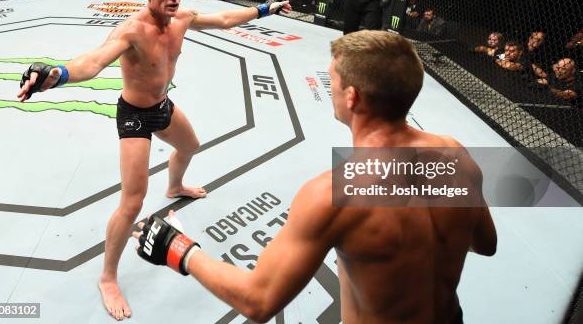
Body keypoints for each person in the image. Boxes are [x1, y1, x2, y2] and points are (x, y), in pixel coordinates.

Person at [132, 30, 497, 323]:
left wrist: (178, 249)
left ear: (351, 97)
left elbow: (258, 302)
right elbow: (485, 243)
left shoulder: (333, 195)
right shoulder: (455, 153)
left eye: (333, 80)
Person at [17, 0, 291, 321]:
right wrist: (59, 74)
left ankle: (174, 186)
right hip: (134, 116)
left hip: (163, 106)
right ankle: (108, 277)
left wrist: (262, 10)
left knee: (191, 146)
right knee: (132, 202)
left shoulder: (184, 18)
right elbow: (94, 62)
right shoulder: (131, 30)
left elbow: (225, 20)